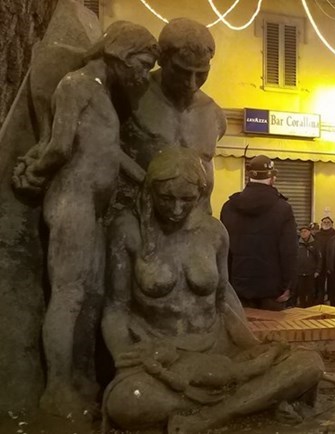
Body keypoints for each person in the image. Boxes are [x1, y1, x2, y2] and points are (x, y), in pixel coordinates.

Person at [102, 148, 322, 432]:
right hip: (164, 354)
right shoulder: (128, 231)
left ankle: (210, 416)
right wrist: (124, 357)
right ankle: (259, 399)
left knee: (310, 363)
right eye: (167, 198)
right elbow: (116, 307)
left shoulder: (214, 231)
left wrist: (253, 347)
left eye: (187, 199)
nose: (177, 208)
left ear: (200, 196)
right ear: (150, 191)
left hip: (220, 346)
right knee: (130, 401)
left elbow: (223, 298)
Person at [10, 21, 158, 415]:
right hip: (72, 201)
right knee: (68, 296)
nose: (144, 75)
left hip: (92, 209)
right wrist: (33, 169)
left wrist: (149, 180)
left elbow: (109, 153)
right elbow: (59, 146)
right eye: (143, 64)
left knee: (89, 296)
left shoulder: (101, 93)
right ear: (120, 54)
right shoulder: (75, 85)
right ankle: (56, 388)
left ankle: (77, 377)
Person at [121, 18, 227, 211]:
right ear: (161, 59)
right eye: (182, 72)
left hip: (194, 224)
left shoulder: (214, 115)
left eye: (201, 74)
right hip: (135, 217)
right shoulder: (131, 97)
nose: (192, 83)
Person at [220, 155, 297, 310]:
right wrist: (288, 286)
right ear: (272, 178)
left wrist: (225, 285)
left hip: (236, 291)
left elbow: (223, 250)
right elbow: (289, 251)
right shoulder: (282, 209)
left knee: (240, 333)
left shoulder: (229, 207)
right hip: (272, 292)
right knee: (273, 334)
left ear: (249, 177)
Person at [296, 225, 322, 308]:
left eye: (305, 231)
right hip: (299, 272)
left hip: (311, 272)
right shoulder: (297, 243)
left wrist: (318, 270)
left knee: (311, 291)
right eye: (301, 232)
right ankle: (302, 306)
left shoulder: (315, 243)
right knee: (301, 291)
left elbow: (319, 258)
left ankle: (310, 306)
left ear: (309, 232)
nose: (303, 233)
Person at [315, 216, 335, 304]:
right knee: (320, 283)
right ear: (321, 223)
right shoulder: (317, 235)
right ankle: (320, 299)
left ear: (332, 224)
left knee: (332, 282)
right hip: (320, 262)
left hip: (331, 262)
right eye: (324, 222)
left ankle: (331, 299)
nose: (326, 224)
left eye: (328, 222)